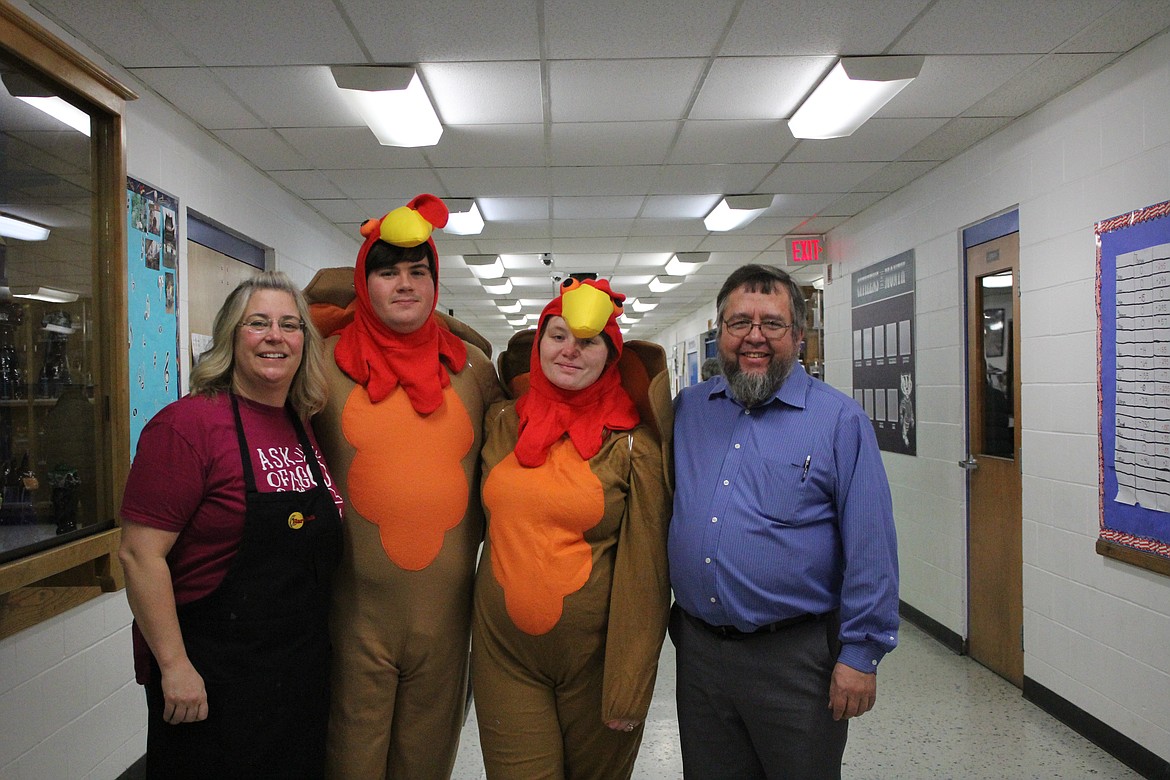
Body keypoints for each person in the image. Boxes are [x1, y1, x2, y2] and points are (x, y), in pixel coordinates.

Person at [668, 264, 899, 779]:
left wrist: (861, 654)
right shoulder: (689, 412)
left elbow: (871, 546)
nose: (755, 337)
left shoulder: (839, 421)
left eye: (772, 324)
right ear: (719, 332)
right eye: (739, 323)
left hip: (795, 661)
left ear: (798, 335)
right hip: (700, 655)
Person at [308, 195, 504, 778]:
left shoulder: (473, 370)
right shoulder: (320, 364)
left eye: (419, 271)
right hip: (352, 616)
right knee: (350, 760)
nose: (405, 284)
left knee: (427, 760)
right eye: (387, 271)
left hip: (446, 619)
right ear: (365, 282)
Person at [118, 271, 343, 779]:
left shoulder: (301, 424)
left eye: (289, 325)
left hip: (296, 675)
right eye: (257, 323)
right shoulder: (186, 426)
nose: (274, 336)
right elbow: (139, 555)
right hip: (211, 677)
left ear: (305, 343)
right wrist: (175, 667)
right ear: (229, 336)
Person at [472, 278, 672, 780]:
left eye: (588, 341)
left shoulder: (633, 447)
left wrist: (630, 684)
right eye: (558, 335)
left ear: (611, 354)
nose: (570, 351)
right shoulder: (499, 424)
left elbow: (647, 576)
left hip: (597, 666)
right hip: (504, 659)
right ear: (537, 344)